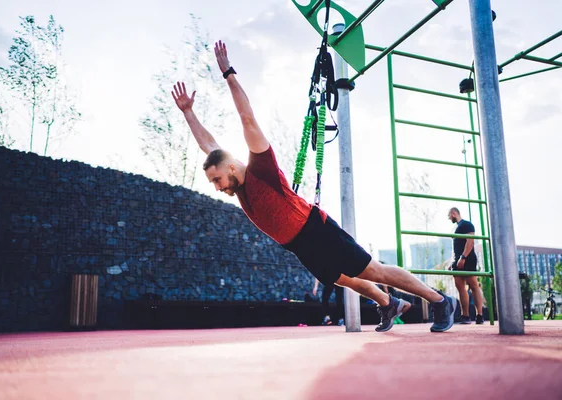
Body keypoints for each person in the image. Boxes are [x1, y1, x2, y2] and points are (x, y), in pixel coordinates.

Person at [171, 39, 456, 333]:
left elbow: (247, 118)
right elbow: (209, 145)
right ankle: (388, 303)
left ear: (231, 166)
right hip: (298, 244)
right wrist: (188, 112)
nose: (216, 186)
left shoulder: (261, 167)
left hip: (314, 229)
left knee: (373, 269)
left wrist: (228, 72)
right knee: (342, 279)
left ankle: (440, 301)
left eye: (216, 179)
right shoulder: (235, 182)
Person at [448, 207, 485, 324]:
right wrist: (452, 262)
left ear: (454, 213)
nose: (449, 218)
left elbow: (470, 241)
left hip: (467, 259)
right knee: (461, 288)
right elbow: (455, 247)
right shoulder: (455, 228)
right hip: (457, 260)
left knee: (474, 285)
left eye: (449, 216)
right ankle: (466, 316)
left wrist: (463, 257)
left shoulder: (467, 225)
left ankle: (479, 315)